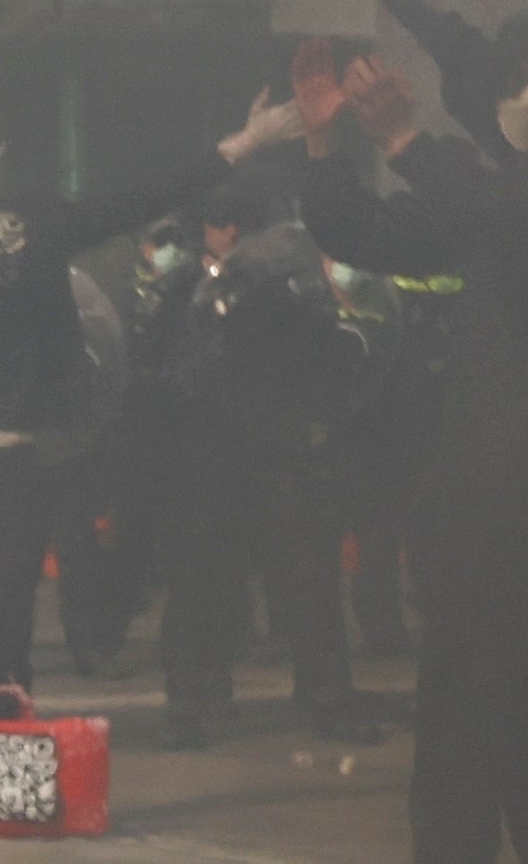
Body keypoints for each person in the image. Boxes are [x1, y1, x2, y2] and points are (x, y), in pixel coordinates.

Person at [298, 1, 528, 864]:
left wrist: (404, 135)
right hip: (482, 477)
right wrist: (326, 150)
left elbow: (510, 228)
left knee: (467, 685)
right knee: (525, 687)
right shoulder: (506, 188)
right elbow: (369, 235)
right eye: (511, 82)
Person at [0, 88, 300, 712]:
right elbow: (149, 196)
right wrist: (250, 140)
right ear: (1, 156)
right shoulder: (45, 220)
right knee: (3, 634)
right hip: (15, 456)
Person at [123, 181, 362, 745]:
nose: (231, 233)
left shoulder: (284, 284)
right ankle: (192, 698)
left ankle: (326, 697)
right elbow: (151, 365)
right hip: (204, 451)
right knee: (199, 582)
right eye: (221, 221)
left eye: (242, 222)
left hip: (275, 447)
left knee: (307, 580)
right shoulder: (182, 285)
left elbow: (324, 354)